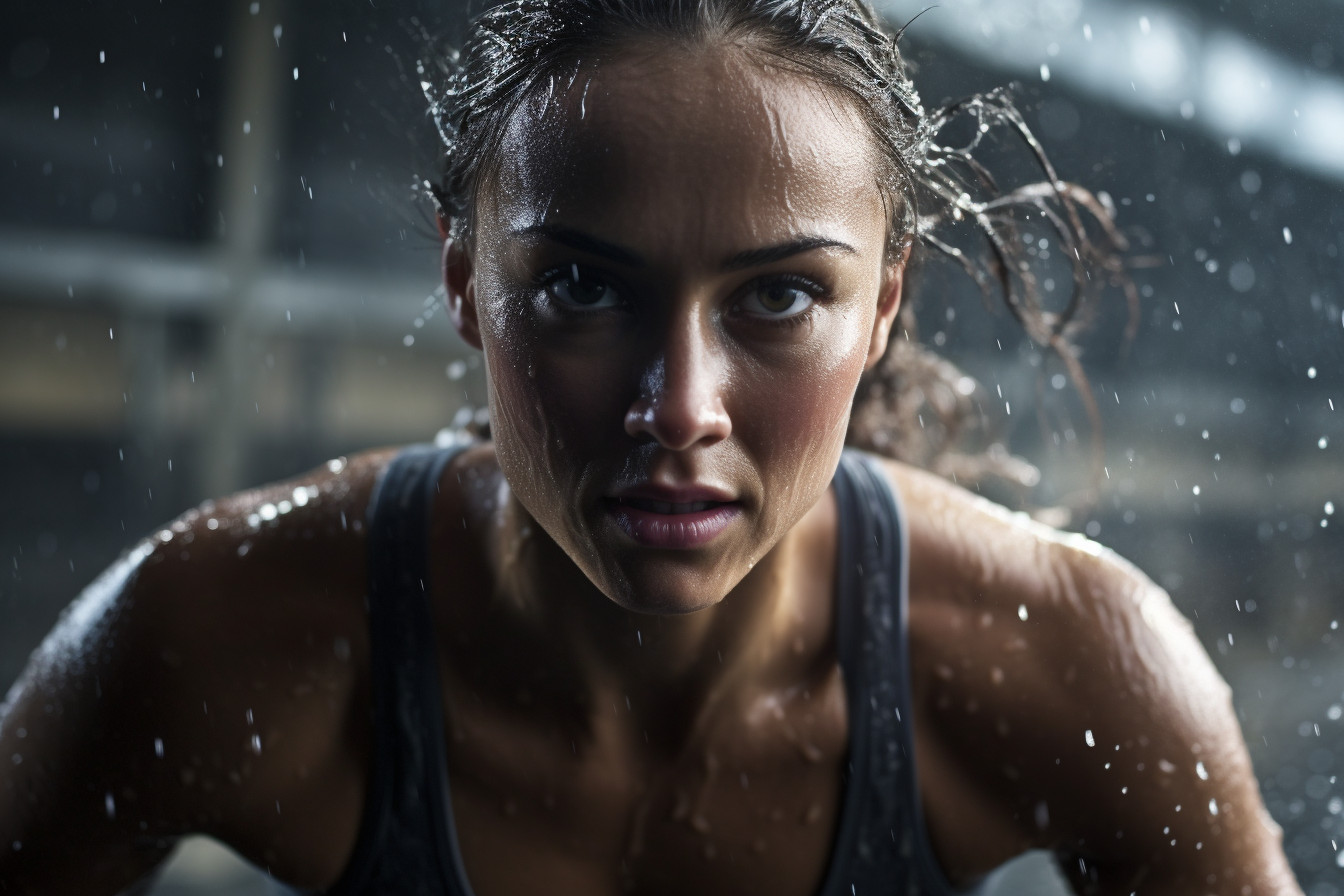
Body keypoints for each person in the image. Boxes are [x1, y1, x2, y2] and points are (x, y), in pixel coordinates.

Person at [0, 0, 1304, 894]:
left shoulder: (1064, 660)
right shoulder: (218, 639)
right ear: (464, 283)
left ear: (886, 305)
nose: (679, 408)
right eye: (582, 289)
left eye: (780, 298)